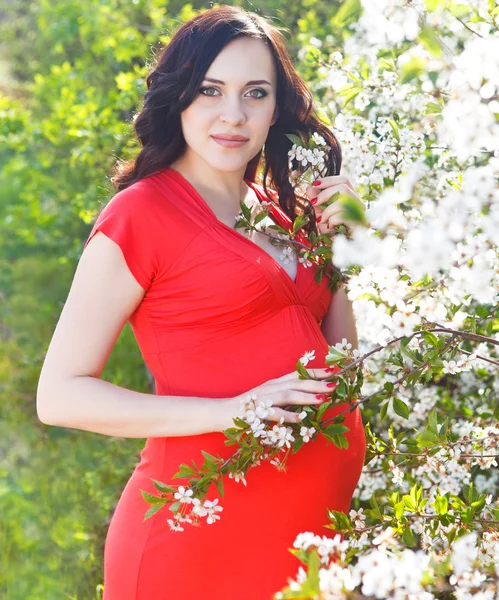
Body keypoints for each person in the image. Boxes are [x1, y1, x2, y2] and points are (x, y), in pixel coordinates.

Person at [36, 5, 366, 599]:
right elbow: (59, 395)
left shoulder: (284, 209)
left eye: (255, 93)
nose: (232, 115)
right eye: (210, 90)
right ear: (179, 95)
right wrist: (231, 412)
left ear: (277, 109)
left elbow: (339, 367)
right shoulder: (141, 215)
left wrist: (338, 247)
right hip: (197, 542)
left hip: (312, 539)